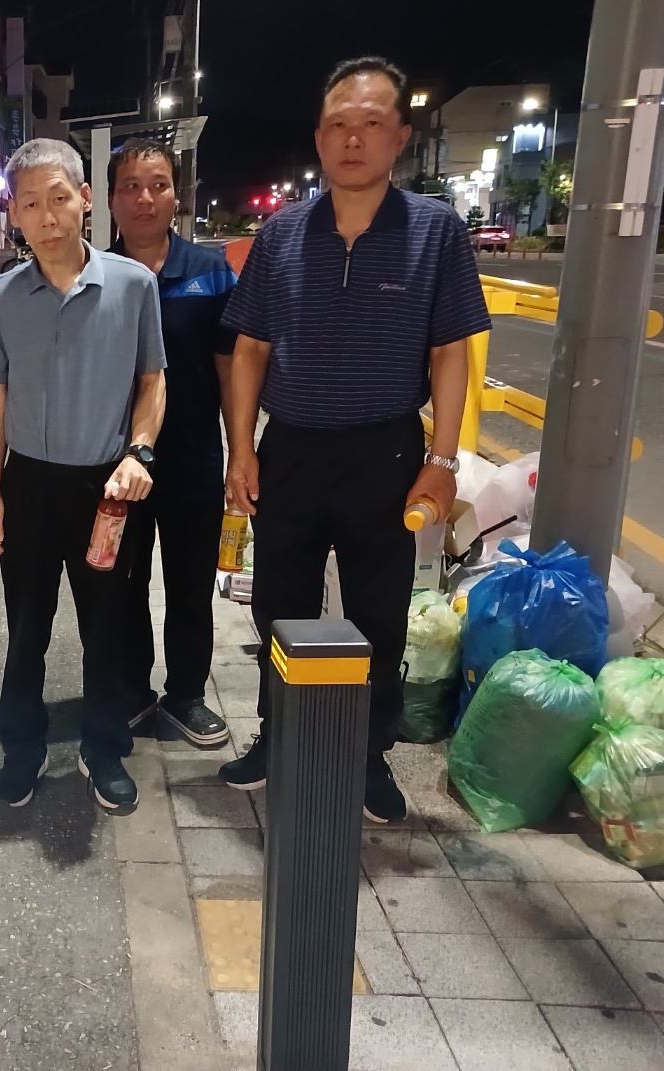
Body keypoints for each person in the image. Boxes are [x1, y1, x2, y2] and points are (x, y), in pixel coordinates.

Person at [217, 57, 490, 823]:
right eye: (338, 125)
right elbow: (249, 348)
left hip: (386, 451)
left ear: (400, 136)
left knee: (379, 610)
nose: (353, 139)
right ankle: (278, 733)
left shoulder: (435, 231)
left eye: (372, 123)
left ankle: (370, 753)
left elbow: (451, 351)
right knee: (280, 603)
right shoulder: (282, 234)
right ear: (319, 137)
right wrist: (243, 448)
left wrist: (442, 461)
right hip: (291, 448)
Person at [0, 138, 167, 811]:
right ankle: (22, 751)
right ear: (13, 213)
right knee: (26, 627)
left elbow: (153, 380)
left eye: (59, 198)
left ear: (86, 199)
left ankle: (103, 748)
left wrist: (139, 453)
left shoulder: (133, 286)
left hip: (105, 491)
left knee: (106, 626)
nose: (46, 215)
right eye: (30, 203)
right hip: (28, 486)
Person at [108, 138, 238, 748]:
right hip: (116, 466)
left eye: (157, 185)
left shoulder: (211, 272)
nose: (144, 198)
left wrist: (241, 452)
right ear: (111, 200)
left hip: (194, 461)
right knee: (123, 585)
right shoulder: (95, 273)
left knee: (190, 586)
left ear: (176, 195)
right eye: (130, 186)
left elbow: (232, 369)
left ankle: (187, 694)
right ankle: (132, 692)